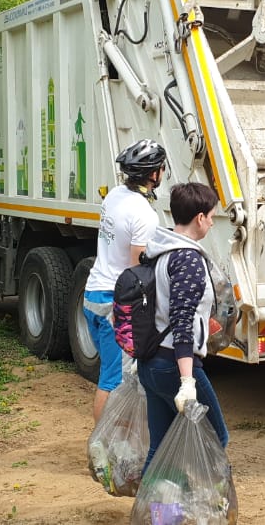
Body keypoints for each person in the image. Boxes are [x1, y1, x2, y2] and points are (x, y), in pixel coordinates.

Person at [138, 182, 229, 468]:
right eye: (211, 216)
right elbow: (182, 321)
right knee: (215, 438)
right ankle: (205, 507)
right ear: (200, 217)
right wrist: (187, 381)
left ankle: (158, 512)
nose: (213, 222)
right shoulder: (188, 258)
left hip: (150, 361)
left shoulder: (159, 250)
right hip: (173, 366)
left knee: (162, 446)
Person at [83, 139, 165, 421]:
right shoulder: (144, 214)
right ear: (154, 174)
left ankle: (115, 441)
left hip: (93, 293)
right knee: (113, 380)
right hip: (112, 303)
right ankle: (103, 449)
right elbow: (136, 273)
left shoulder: (115, 196)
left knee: (111, 373)